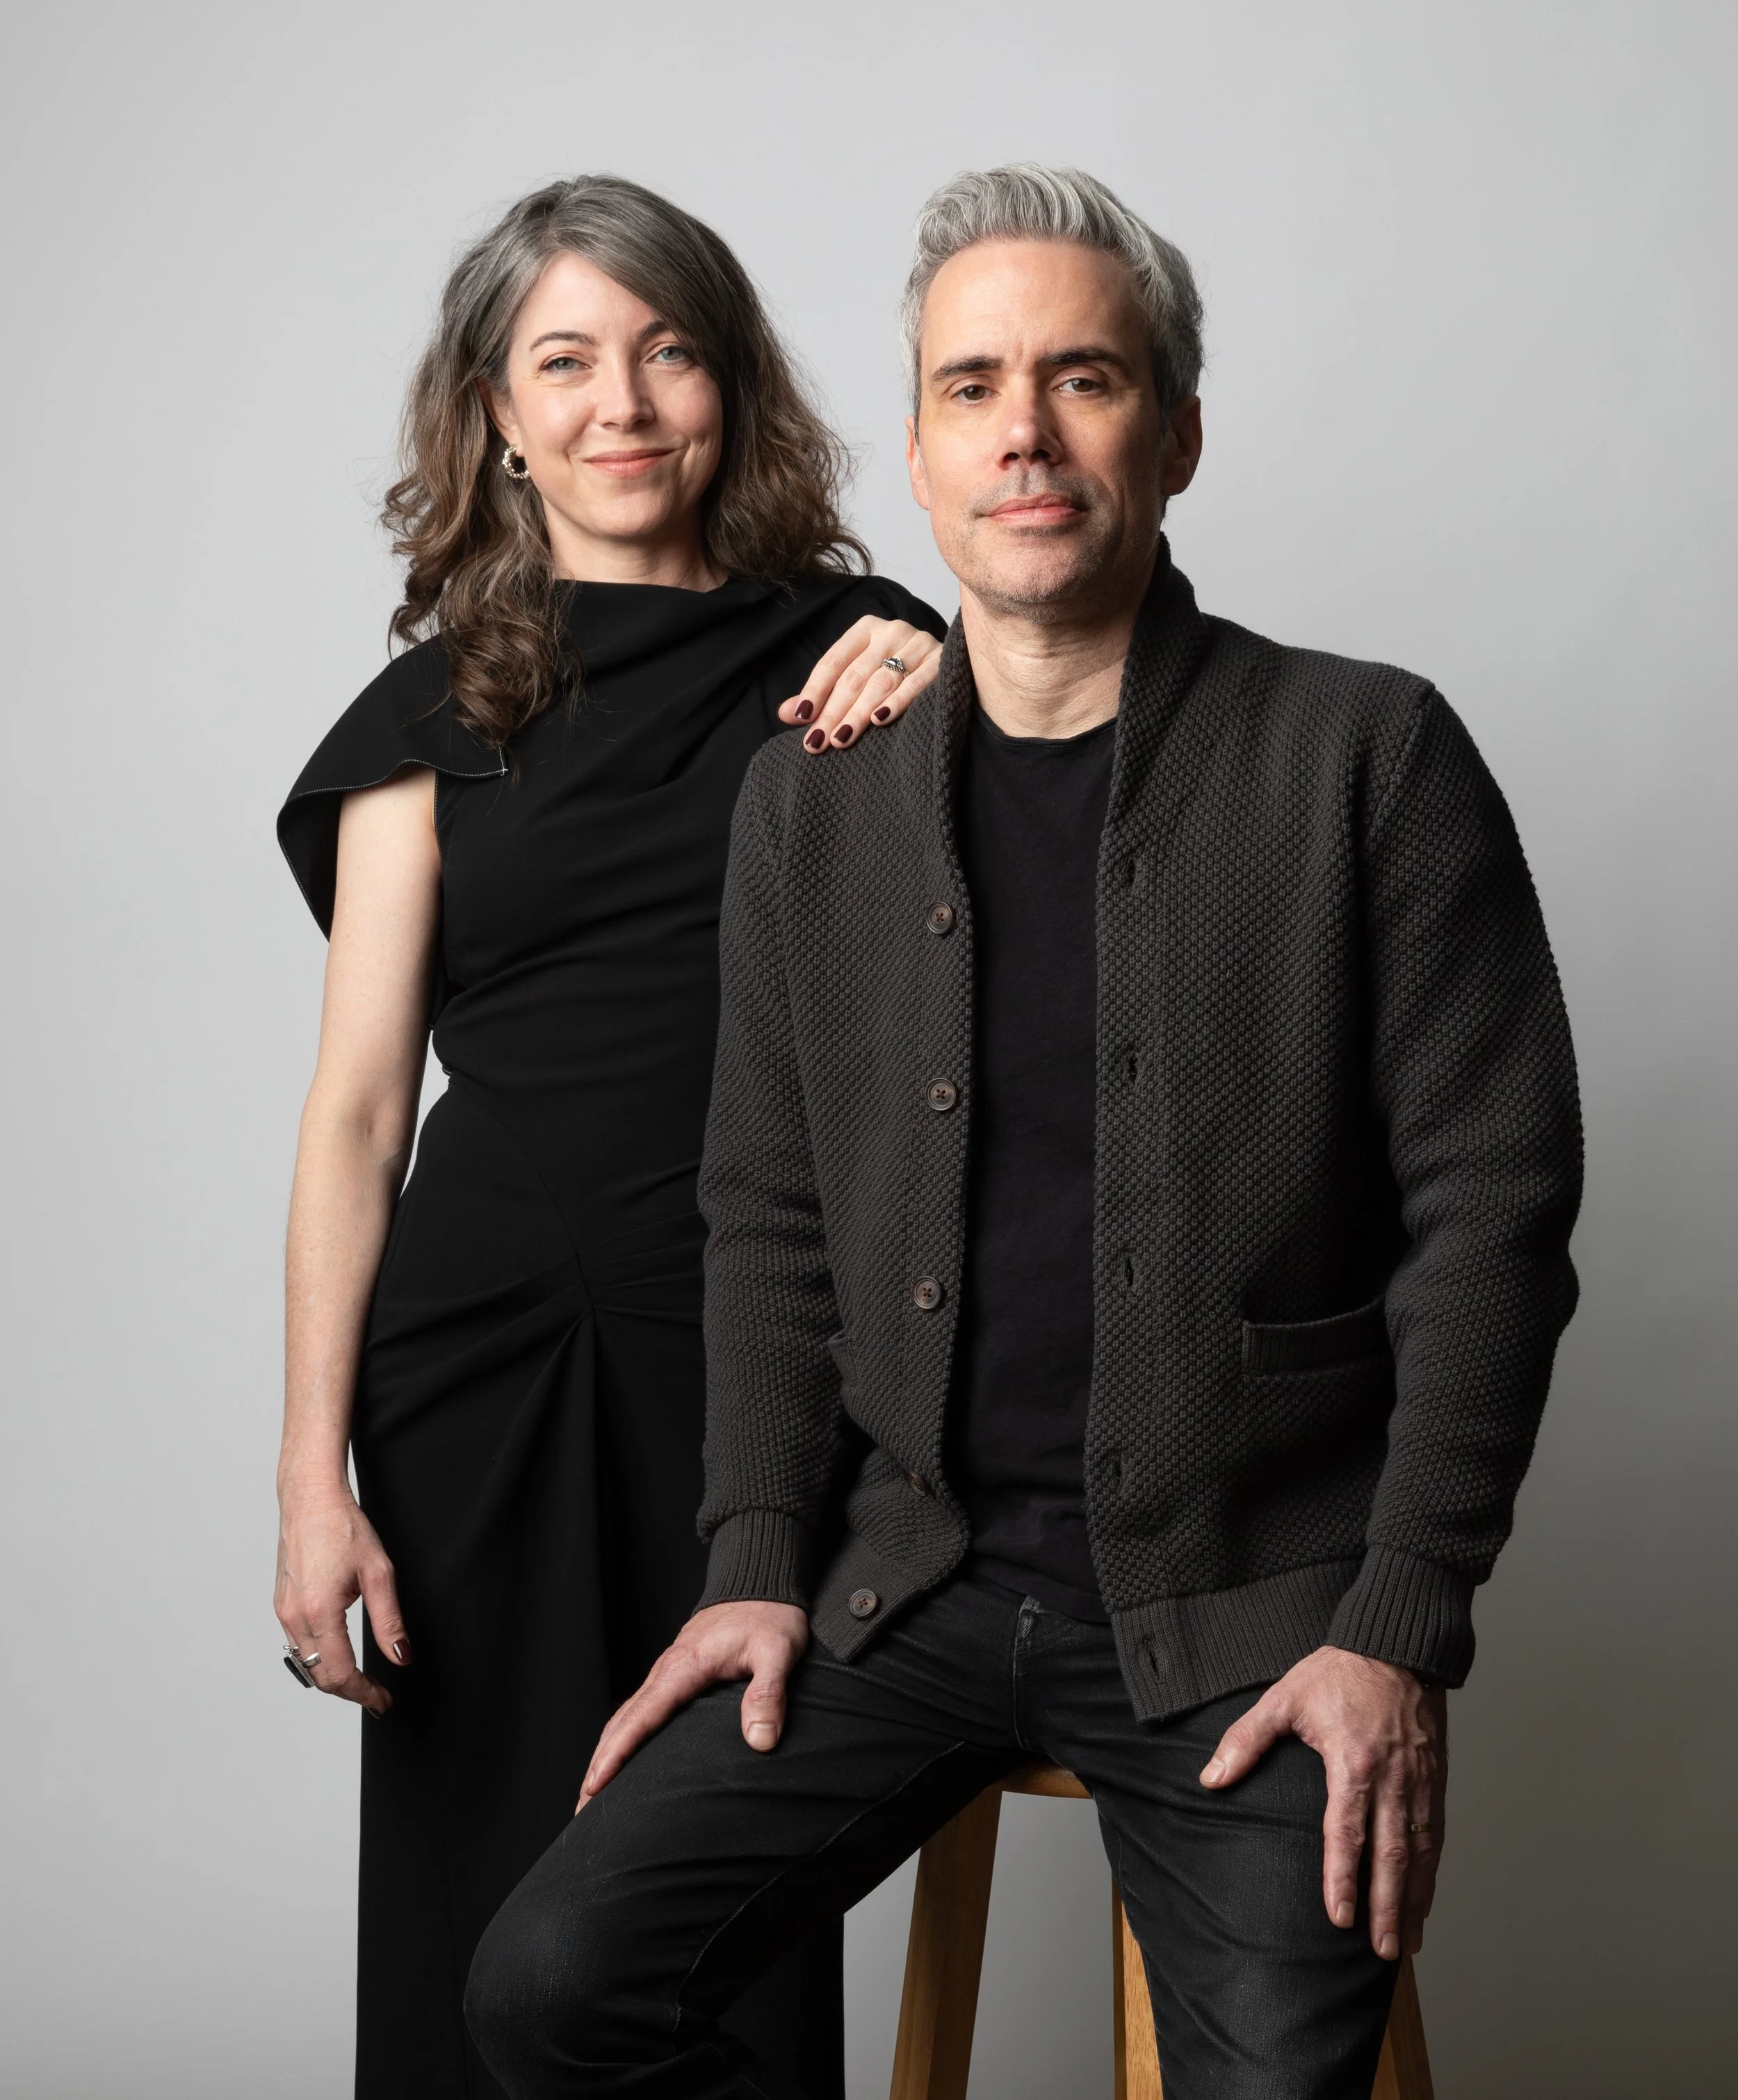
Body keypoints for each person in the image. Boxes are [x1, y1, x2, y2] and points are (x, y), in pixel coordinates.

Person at [464, 165, 1584, 2100]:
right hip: (911, 1586)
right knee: (549, 1987)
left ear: (1178, 435)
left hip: (1253, 1614)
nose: (1025, 434)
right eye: (972, 387)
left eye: (1085, 378)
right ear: (915, 455)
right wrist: (753, 1560)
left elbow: (1492, 1215)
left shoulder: (1363, 753)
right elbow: (769, 1215)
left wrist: (1396, 1625)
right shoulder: (816, 806)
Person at [273, 173, 946, 2100]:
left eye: (666, 352)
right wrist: (310, 1477)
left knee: (716, 1910)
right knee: (476, 1891)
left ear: (732, 385)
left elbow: (1059, 855)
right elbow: (357, 1112)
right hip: (479, 1355)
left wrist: (960, 679)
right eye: (564, 361)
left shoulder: (868, 659)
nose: (622, 404)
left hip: (763, 1357)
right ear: (495, 412)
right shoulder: (430, 717)